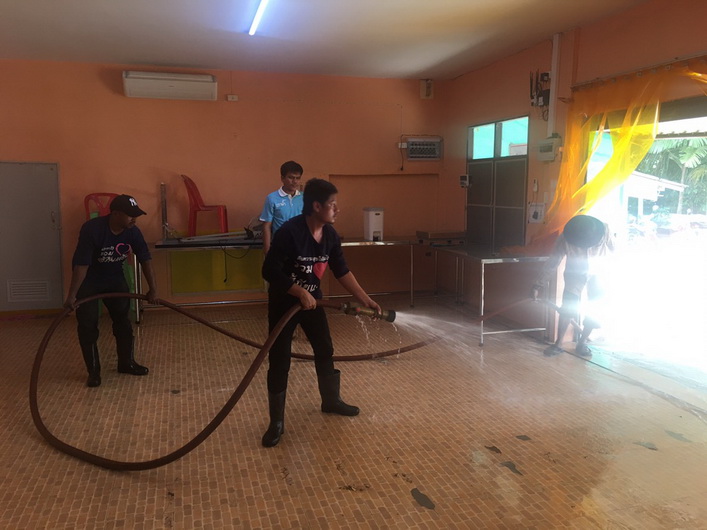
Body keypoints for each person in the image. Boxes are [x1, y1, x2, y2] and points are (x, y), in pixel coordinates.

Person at [261, 178, 382, 447]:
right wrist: (298, 291)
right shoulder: (290, 233)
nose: (337, 209)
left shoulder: (330, 236)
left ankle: (330, 401)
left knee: (324, 348)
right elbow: (269, 270)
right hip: (284, 304)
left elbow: (342, 271)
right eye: (332, 204)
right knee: (280, 359)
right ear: (316, 206)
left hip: (313, 303)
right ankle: (276, 422)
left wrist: (365, 299)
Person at [64, 194, 159, 387]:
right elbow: (81, 265)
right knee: (88, 325)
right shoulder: (92, 229)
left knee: (123, 322)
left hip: (115, 279)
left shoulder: (133, 232)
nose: (134, 219)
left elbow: (145, 259)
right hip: (89, 282)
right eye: (130, 215)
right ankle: (93, 372)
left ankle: (126, 363)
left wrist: (153, 290)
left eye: (136, 215)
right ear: (115, 214)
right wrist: (72, 296)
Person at [532, 214, 614, 358]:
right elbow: (553, 262)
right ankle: (558, 344)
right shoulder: (565, 238)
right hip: (574, 274)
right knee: (567, 308)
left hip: (598, 274)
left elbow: (614, 250)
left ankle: (582, 343)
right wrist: (537, 285)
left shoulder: (604, 230)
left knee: (595, 310)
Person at [259, 161, 304, 255]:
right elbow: (266, 226)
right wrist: (267, 251)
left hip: (301, 247)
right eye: (291, 177)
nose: (295, 181)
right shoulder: (272, 198)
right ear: (282, 178)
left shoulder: (304, 198)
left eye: (298, 178)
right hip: (281, 247)